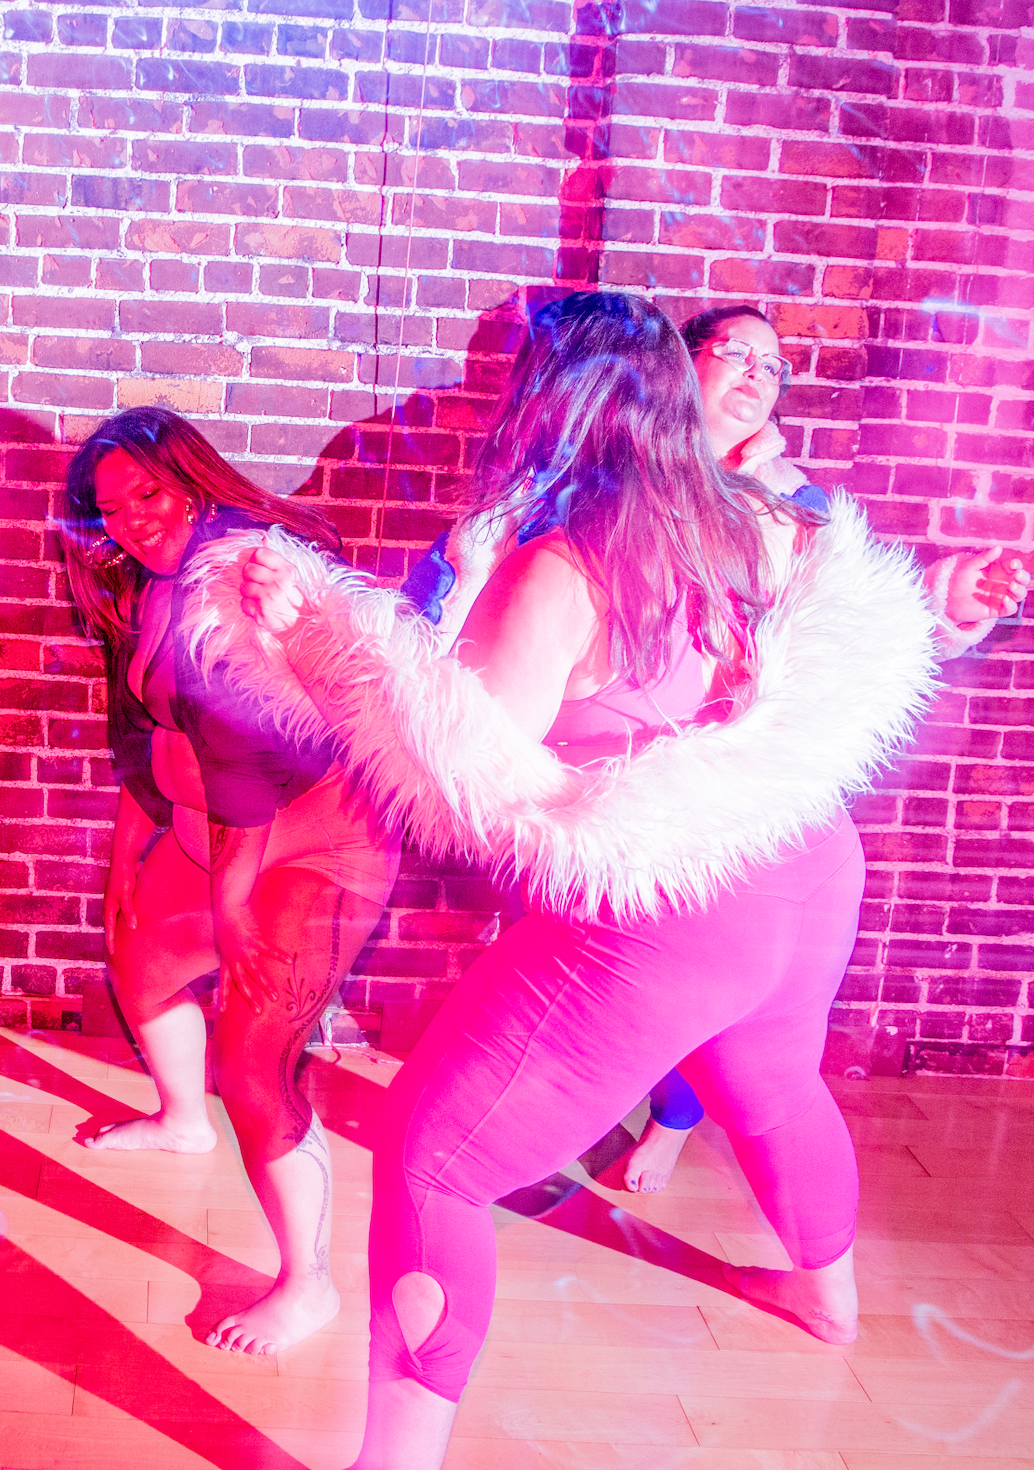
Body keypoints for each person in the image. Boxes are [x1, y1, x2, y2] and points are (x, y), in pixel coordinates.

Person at [212, 291, 959, 1467]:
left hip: (667, 907)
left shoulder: (563, 566)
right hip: (803, 864)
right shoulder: (747, 519)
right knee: (770, 1079)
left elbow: (469, 775)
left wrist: (312, 642)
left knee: (431, 1158)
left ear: (547, 403)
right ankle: (831, 1299)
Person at [403, 298, 1026, 1196]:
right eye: (737, 353)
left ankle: (647, 1126)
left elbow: (866, 629)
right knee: (737, 1057)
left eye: (775, 369)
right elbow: (457, 615)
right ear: (675, 371)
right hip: (604, 825)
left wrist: (948, 604)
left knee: (716, 1032)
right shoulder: (579, 484)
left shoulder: (786, 508)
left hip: (722, 838)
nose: (757, 377)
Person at [59, 407, 399, 1356]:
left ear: (195, 478)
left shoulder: (238, 580)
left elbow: (244, 768)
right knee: (135, 956)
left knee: (254, 1060)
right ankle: (179, 1123)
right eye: (111, 508)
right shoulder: (143, 587)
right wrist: (125, 862)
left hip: (317, 847)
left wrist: (231, 907)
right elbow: (145, 743)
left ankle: (309, 1282)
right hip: (218, 840)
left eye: (149, 494)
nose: (131, 519)